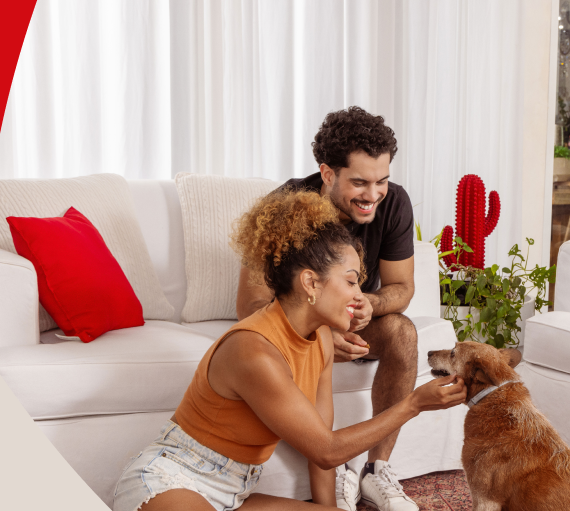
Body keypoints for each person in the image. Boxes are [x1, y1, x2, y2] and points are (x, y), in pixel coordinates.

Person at [114, 190, 466, 511]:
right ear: (311, 283)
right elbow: (327, 451)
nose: (359, 295)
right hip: (172, 482)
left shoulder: (322, 339)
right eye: (349, 280)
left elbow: (320, 450)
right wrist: (414, 403)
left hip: (235, 491)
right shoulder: (253, 350)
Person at [236, 107, 421, 511]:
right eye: (359, 182)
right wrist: (320, 332)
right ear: (327, 173)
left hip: (353, 323)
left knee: (403, 332)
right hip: (298, 329)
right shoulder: (286, 208)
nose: (372, 195)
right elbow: (249, 305)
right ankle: (334, 473)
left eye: (381, 181)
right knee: (306, 345)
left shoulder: (393, 205)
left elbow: (401, 288)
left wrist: (371, 303)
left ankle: (377, 472)